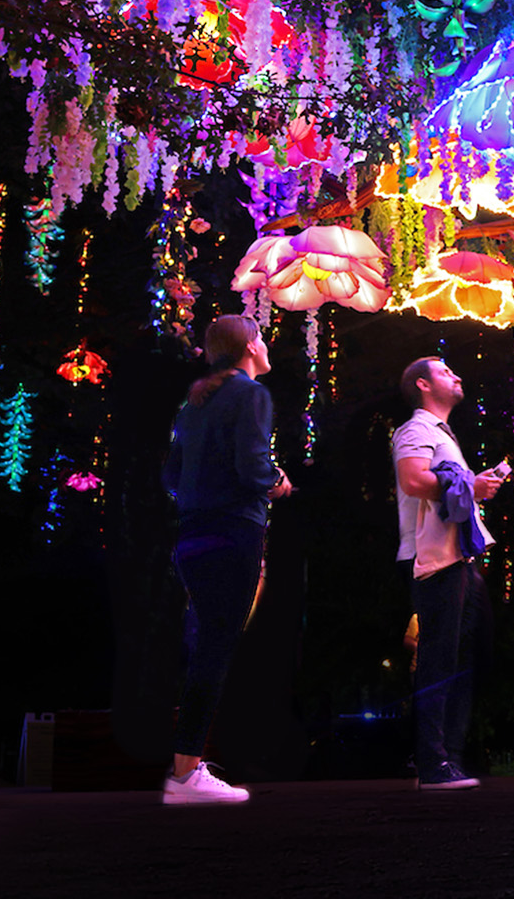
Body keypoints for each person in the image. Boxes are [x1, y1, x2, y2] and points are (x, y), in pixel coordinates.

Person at [161, 314, 291, 805]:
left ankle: (185, 766)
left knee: (206, 646)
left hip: (192, 535)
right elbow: (253, 466)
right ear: (250, 347)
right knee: (215, 648)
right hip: (233, 531)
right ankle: (186, 772)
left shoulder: (194, 403)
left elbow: (171, 476)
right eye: (262, 337)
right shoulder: (252, 395)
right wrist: (276, 481)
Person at [392, 357, 504, 790]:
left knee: (462, 658)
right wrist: (470, 487)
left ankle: (447, 760)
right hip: (433, 559)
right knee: (439, 658)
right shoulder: (416, 430)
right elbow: (413, 480)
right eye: (444, 372)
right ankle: (432, 763)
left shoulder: (442, 435)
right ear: (422, 384)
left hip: (457, 556)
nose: (456, 376)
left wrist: (474, 486)